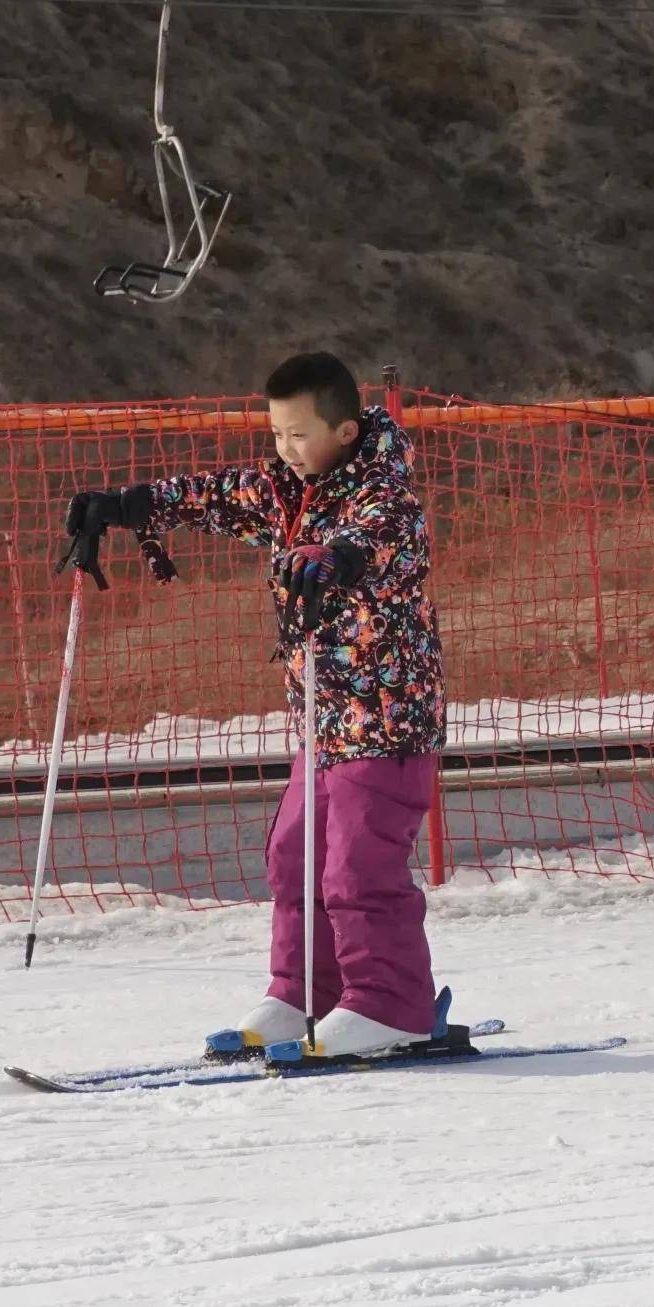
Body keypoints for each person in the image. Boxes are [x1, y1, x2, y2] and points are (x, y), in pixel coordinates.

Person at [62, 351, 446, 1055]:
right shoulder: (287, 490)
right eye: (276, 434)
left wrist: (334, 559)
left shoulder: (385, 497)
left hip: (386, 718)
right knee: (294, 857)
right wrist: (120, 506)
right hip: (322, 718)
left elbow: (374, 542)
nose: (286, 449)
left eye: (300, 435)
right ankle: (306, 993)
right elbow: (213, 496)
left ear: (346, 431)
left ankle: (391, 1004)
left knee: (357, 866)